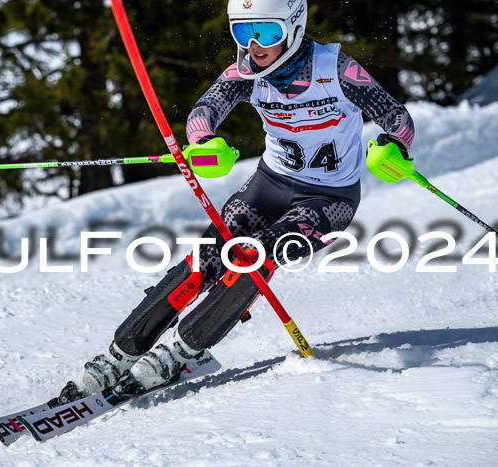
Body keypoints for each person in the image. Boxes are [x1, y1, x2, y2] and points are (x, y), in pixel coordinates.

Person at [51, 0, 415, 404]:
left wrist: (393, 146)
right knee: (208, 257)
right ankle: (120, 352)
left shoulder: (338, 70)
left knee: (256, 256)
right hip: (270, 184)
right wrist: (203, 143)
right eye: (244, 33)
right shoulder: (245, 74)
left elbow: (396, 116)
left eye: (267, 33)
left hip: (328, 198)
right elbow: (203, 112)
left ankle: (183, 349)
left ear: (294, 28)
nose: (254, 46)